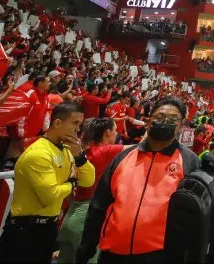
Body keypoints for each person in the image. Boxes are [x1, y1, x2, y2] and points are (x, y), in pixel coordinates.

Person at [76, 96, 199, 264]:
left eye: (173, 119)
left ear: (181, 125)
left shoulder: (189, 161)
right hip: (113, 253)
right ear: (149, 120)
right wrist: (87, 244)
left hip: (160, 256)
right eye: (160, 117)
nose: (165, 122)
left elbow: (193, 215)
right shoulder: (124, 156)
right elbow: (99, 204)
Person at [0, 101, 93, 264]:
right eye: (75, 123)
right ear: (57, 123)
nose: (78, 130)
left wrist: (79, 156)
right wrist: (71, 184)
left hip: (48, 228)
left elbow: (88, 180)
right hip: (25, 231)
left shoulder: (67, 150)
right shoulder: (39, 153)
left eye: (80, 124)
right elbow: (50, 195)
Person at [57, 117, 124, 264]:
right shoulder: (106, 151)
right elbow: (142, 146)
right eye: (115, 130)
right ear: (107, 133)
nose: (117, 133)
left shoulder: (81, 150)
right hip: (87, 216)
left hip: (70, 213)